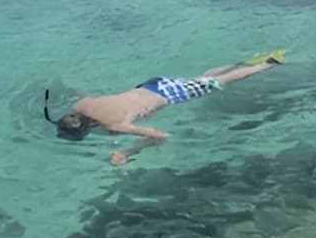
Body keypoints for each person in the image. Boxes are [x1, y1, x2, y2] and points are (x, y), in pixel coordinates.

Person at [45, 50, 287, 166]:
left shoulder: (114, 126)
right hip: (152, 84)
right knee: (203, 78)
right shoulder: (81, 104)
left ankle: (268, 64)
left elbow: (160, 136)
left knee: (220, 82)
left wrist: (127, 152)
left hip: (170, 94)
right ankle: (242, 62)